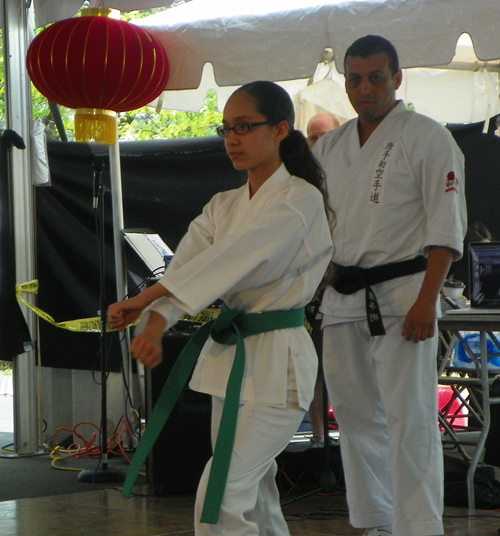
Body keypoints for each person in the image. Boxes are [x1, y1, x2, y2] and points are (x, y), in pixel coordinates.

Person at [108, 80, 334, 536]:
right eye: (226, 128)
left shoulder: (300, 200)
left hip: (278, 365)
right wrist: (155, 322)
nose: (232, 138)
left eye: (245, 127)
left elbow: (229, 262)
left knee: (222, 494)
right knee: (258, 496)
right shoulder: (223, 206)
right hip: (232, 363)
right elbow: (190, 267)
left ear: (280, 130)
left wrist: (144, 301)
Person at [313, 35, 467, 536]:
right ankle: (376, 520)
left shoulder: (428, 137)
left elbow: (446, 226)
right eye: (354, 79)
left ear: (396, 78)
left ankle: (418, 526)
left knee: (410, 419)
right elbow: (311, 223)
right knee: (355, 420)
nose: (365, 89)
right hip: (341, 300)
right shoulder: (330, 145)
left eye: (375, 77)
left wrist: (429, 300)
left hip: (404, 298)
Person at [305, 112, 340, 448]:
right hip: (314, 290)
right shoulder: (301, 182)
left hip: (348, 285)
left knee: (346, 371)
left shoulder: (349, 173)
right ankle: (318, 438)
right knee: (315, 368)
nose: (318, 144)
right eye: (312, 137)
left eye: (324, 136)